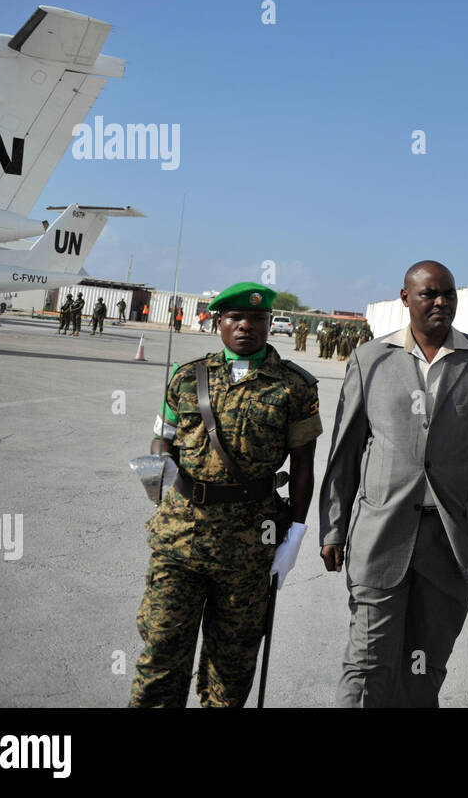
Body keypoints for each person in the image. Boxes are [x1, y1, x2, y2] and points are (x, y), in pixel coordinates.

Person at [319, 260, 468, 707]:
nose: (441, 302)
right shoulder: (370, 359)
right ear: (405, 298)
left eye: (448, 293)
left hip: (450, 541)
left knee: (425, 665)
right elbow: (345, 453)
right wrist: (333, 526)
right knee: (367, 662)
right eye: (429, 294)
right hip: (380, 537)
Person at [130, 282, 321, 707]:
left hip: (250, 545)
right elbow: (161, 439)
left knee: (231, 665)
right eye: (236, 318)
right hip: (180, 539)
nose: (246, 327)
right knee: (161, 651)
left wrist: (296, 533)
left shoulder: (294, 387)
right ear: (219, 322)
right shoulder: (186, 377)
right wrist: (157, 478)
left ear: (269, 324)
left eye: (257, 319)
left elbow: (303, 464)